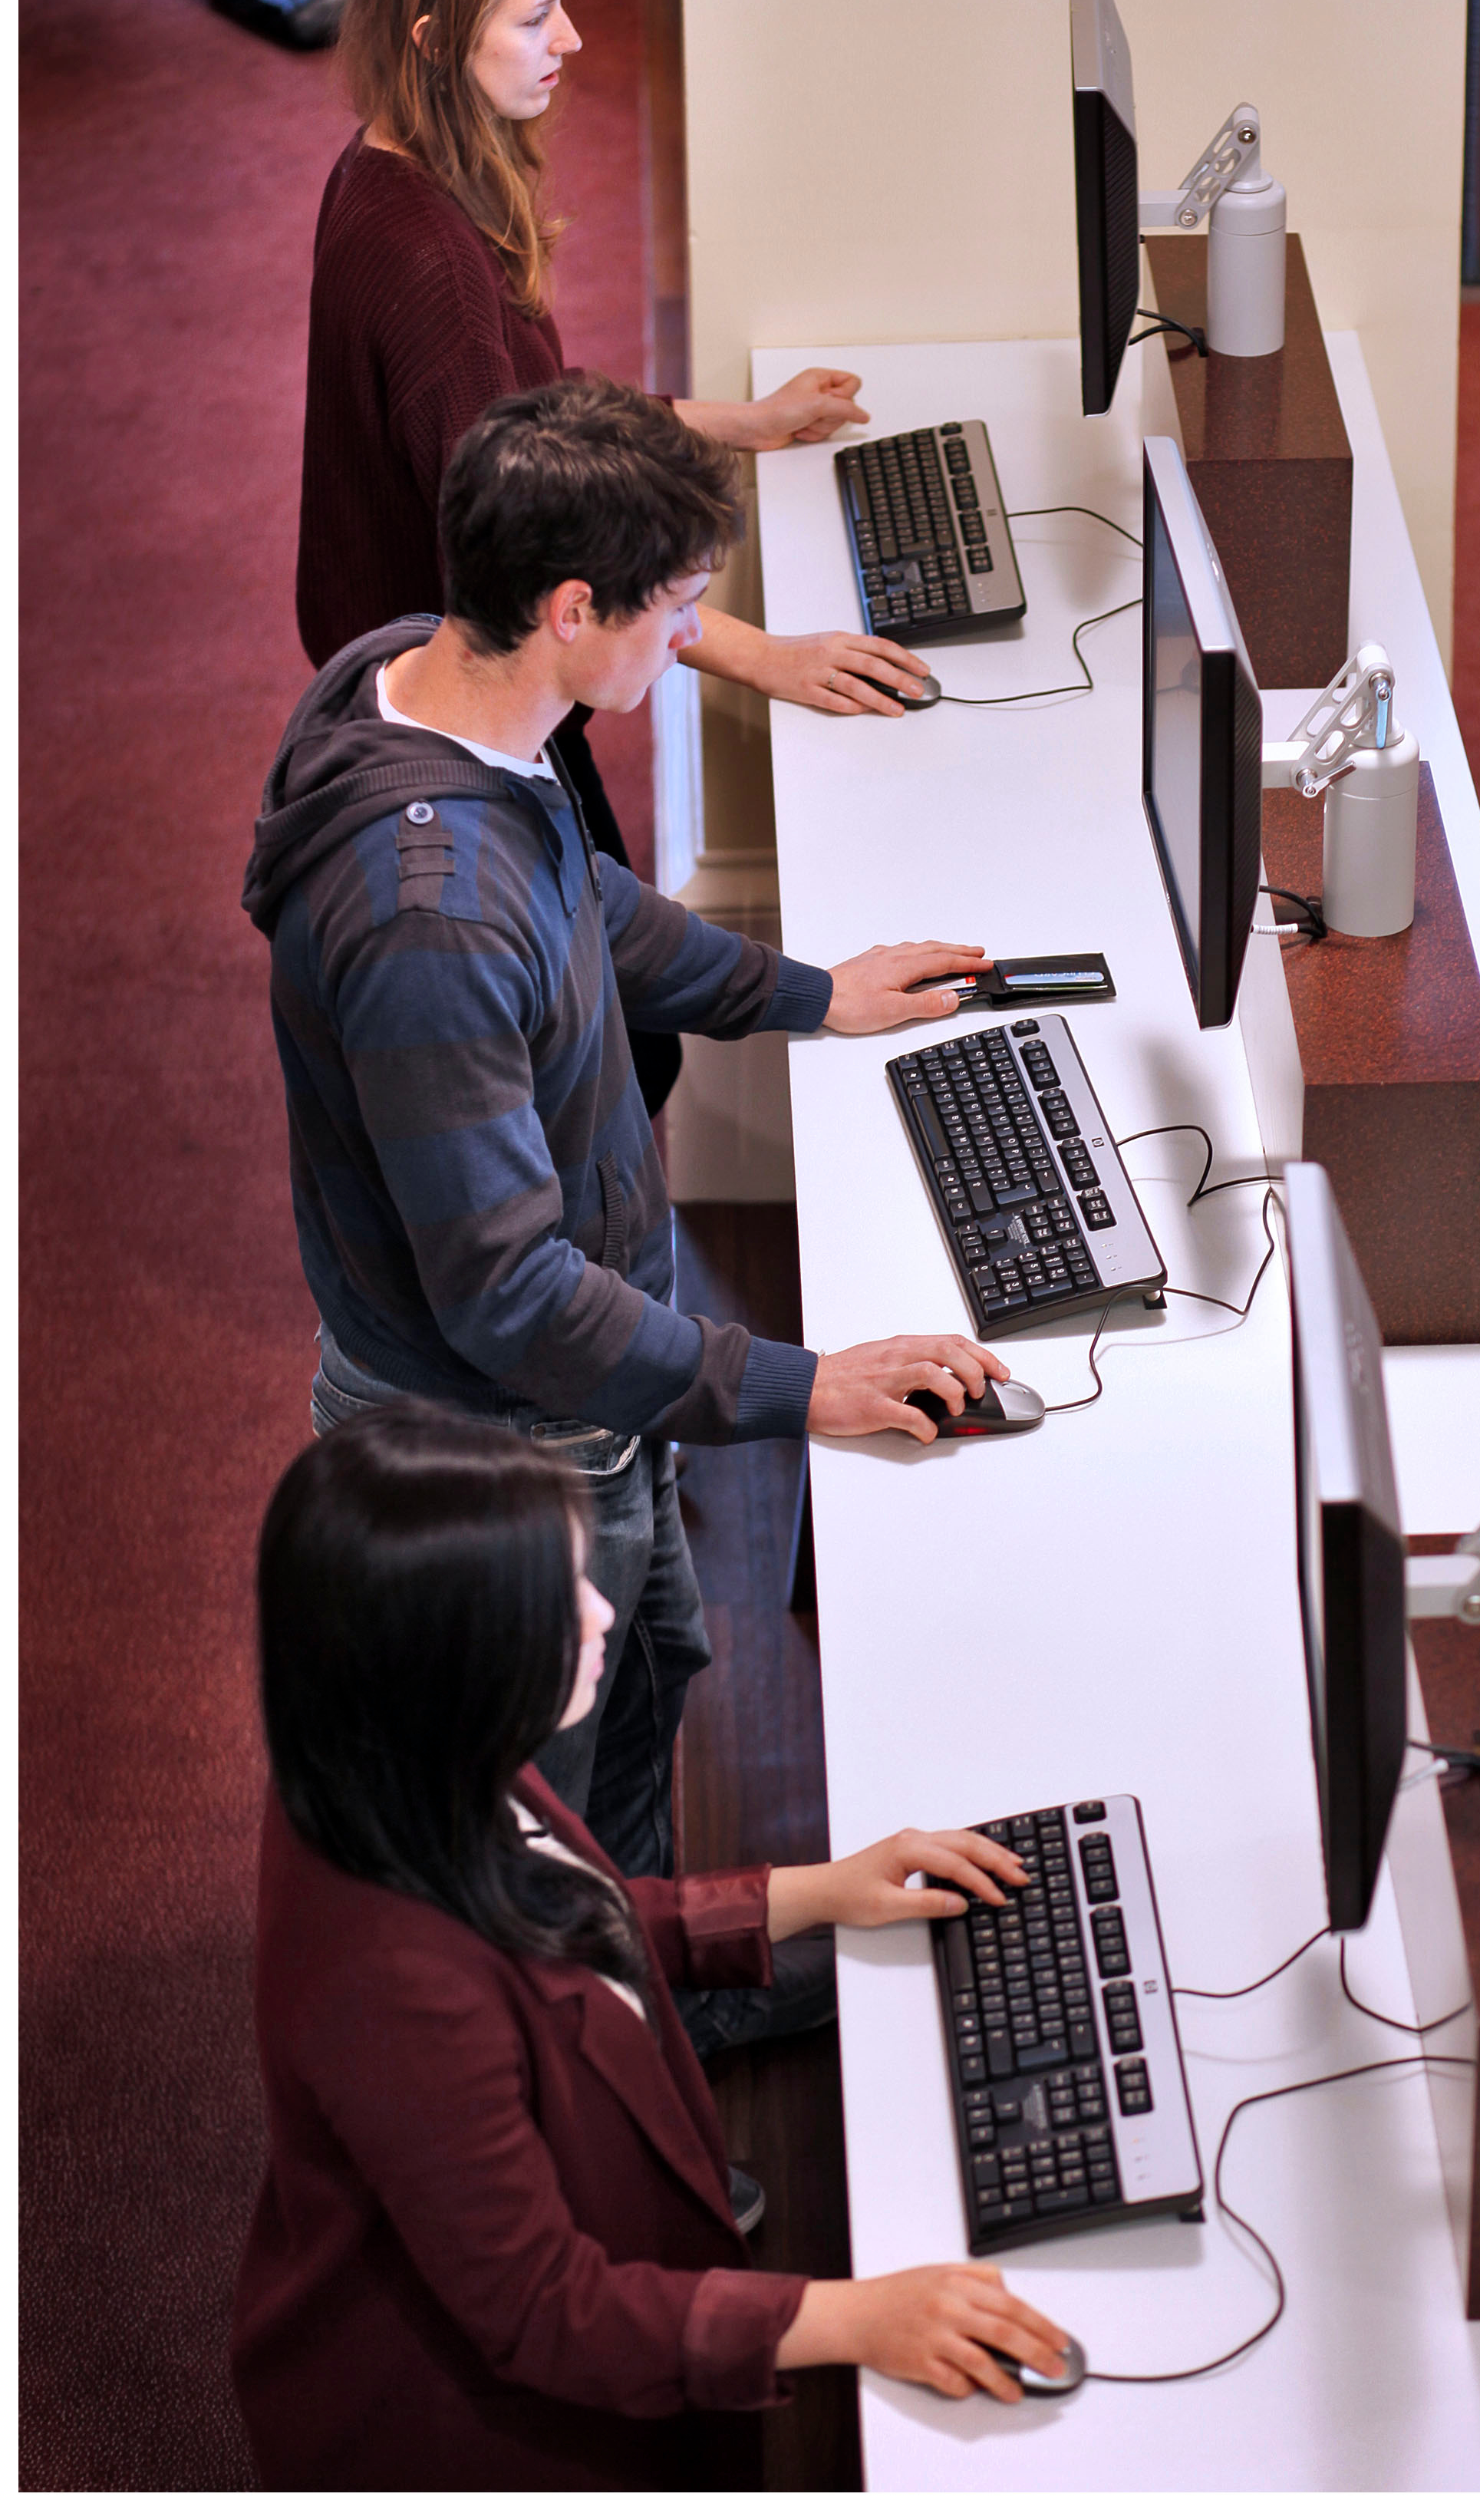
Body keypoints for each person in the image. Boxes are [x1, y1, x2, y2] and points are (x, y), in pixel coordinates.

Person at [244, 372, 1004, 1973]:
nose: (690, 636)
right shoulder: (427, 925)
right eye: (677, 608)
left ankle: (677, 2010)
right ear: (572, 607)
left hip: (590, 1381)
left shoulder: (418, 672)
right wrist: (798, 1387)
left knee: (653, 1681)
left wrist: (809, 996)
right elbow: (512, 1296)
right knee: (541, 1846)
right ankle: (611, 2099)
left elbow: (582, 892)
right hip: (509, 1434)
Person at [232, 1405, 1075, 2489]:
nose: (597, 1616)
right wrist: (851, 2315)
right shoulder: (398, 1992)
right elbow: (545, 2311)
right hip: (489, 2435)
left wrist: (812, 1891)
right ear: (456, 1664)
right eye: (558, 1605)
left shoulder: (400, 1754)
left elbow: (565, 1907)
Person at [298, 0, 930, 1115]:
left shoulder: (412, 170)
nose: (573, 40)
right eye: (535, 17)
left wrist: (735, 422)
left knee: (626, 1015)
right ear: (433, 39)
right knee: (614, 1049)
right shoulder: (420, 256)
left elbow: (537, 413)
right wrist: (758, 653)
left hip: (457, 650)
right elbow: (544, 528)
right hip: (456, 684)